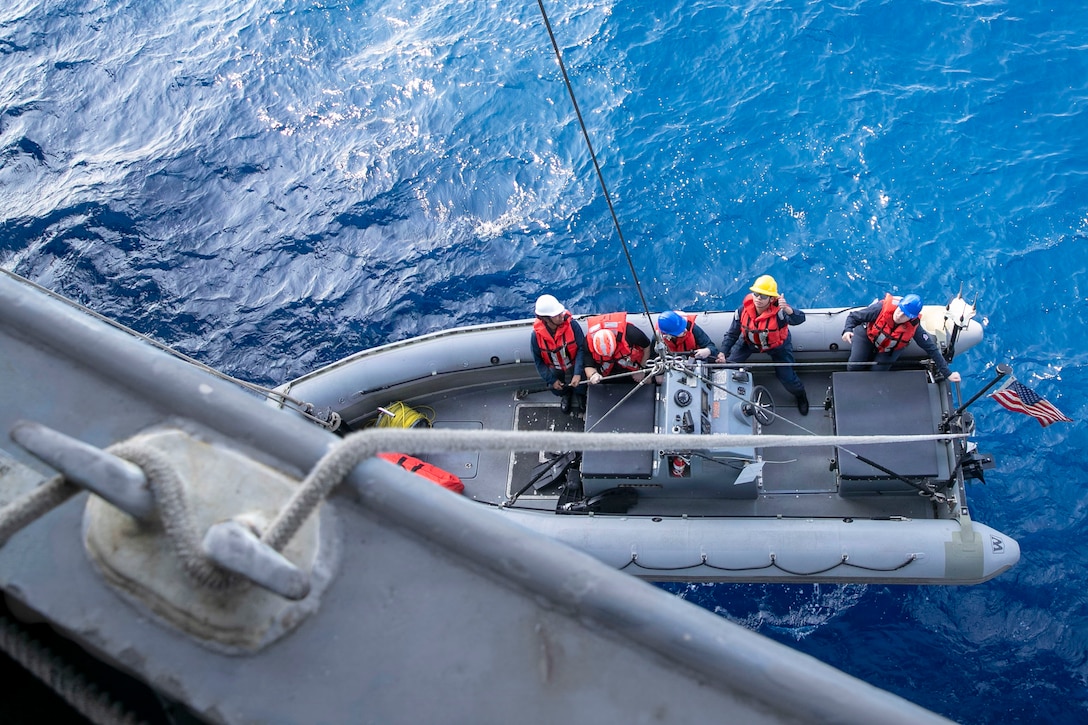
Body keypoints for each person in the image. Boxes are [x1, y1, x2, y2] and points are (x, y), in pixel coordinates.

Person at [720, 274, 810, 415]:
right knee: (729, 364)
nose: (758, 299)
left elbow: (799, 319)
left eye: (763, 296)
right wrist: (723, 352)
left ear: (772, 299)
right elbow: (732, 333)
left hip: (778, 347)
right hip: (749, 342)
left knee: (788, 378)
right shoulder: (742, 310)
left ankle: (801, 396)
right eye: (756, 294)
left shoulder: (780, 313)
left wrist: (788, 309)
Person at [841, 293, 962, 382]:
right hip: (868, 335)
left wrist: (947, 373)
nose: (900, 315)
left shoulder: (914, 327)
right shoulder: (879, 309)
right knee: (854, 366)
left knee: (877, 373)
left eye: (906, 315)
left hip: (889, 347)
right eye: (900, 310)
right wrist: (847, 330)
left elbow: (931, 349)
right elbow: (854, 317)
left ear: (912, 318)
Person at [530, 294, 586, 413]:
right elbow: (538, 361)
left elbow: (581, 348)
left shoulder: (573, 325)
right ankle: (565, 395)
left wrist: (577, 373)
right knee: (556, 388)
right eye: (557, 315)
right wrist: (552, 380)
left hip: (574, 363)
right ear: (546, 319)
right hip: (554, 367)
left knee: (581, 383)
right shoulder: (536, 336)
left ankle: (580, 395)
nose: (562, 316)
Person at [583, 312, 652, 384]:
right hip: (606, 367)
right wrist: (593, 375)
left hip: (630, 363)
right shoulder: (588, 342)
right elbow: (588, 366)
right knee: (589, 380)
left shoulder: (631, 333)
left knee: (647, 379)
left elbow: (646, 347)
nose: (609, 355)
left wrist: (641, 369)